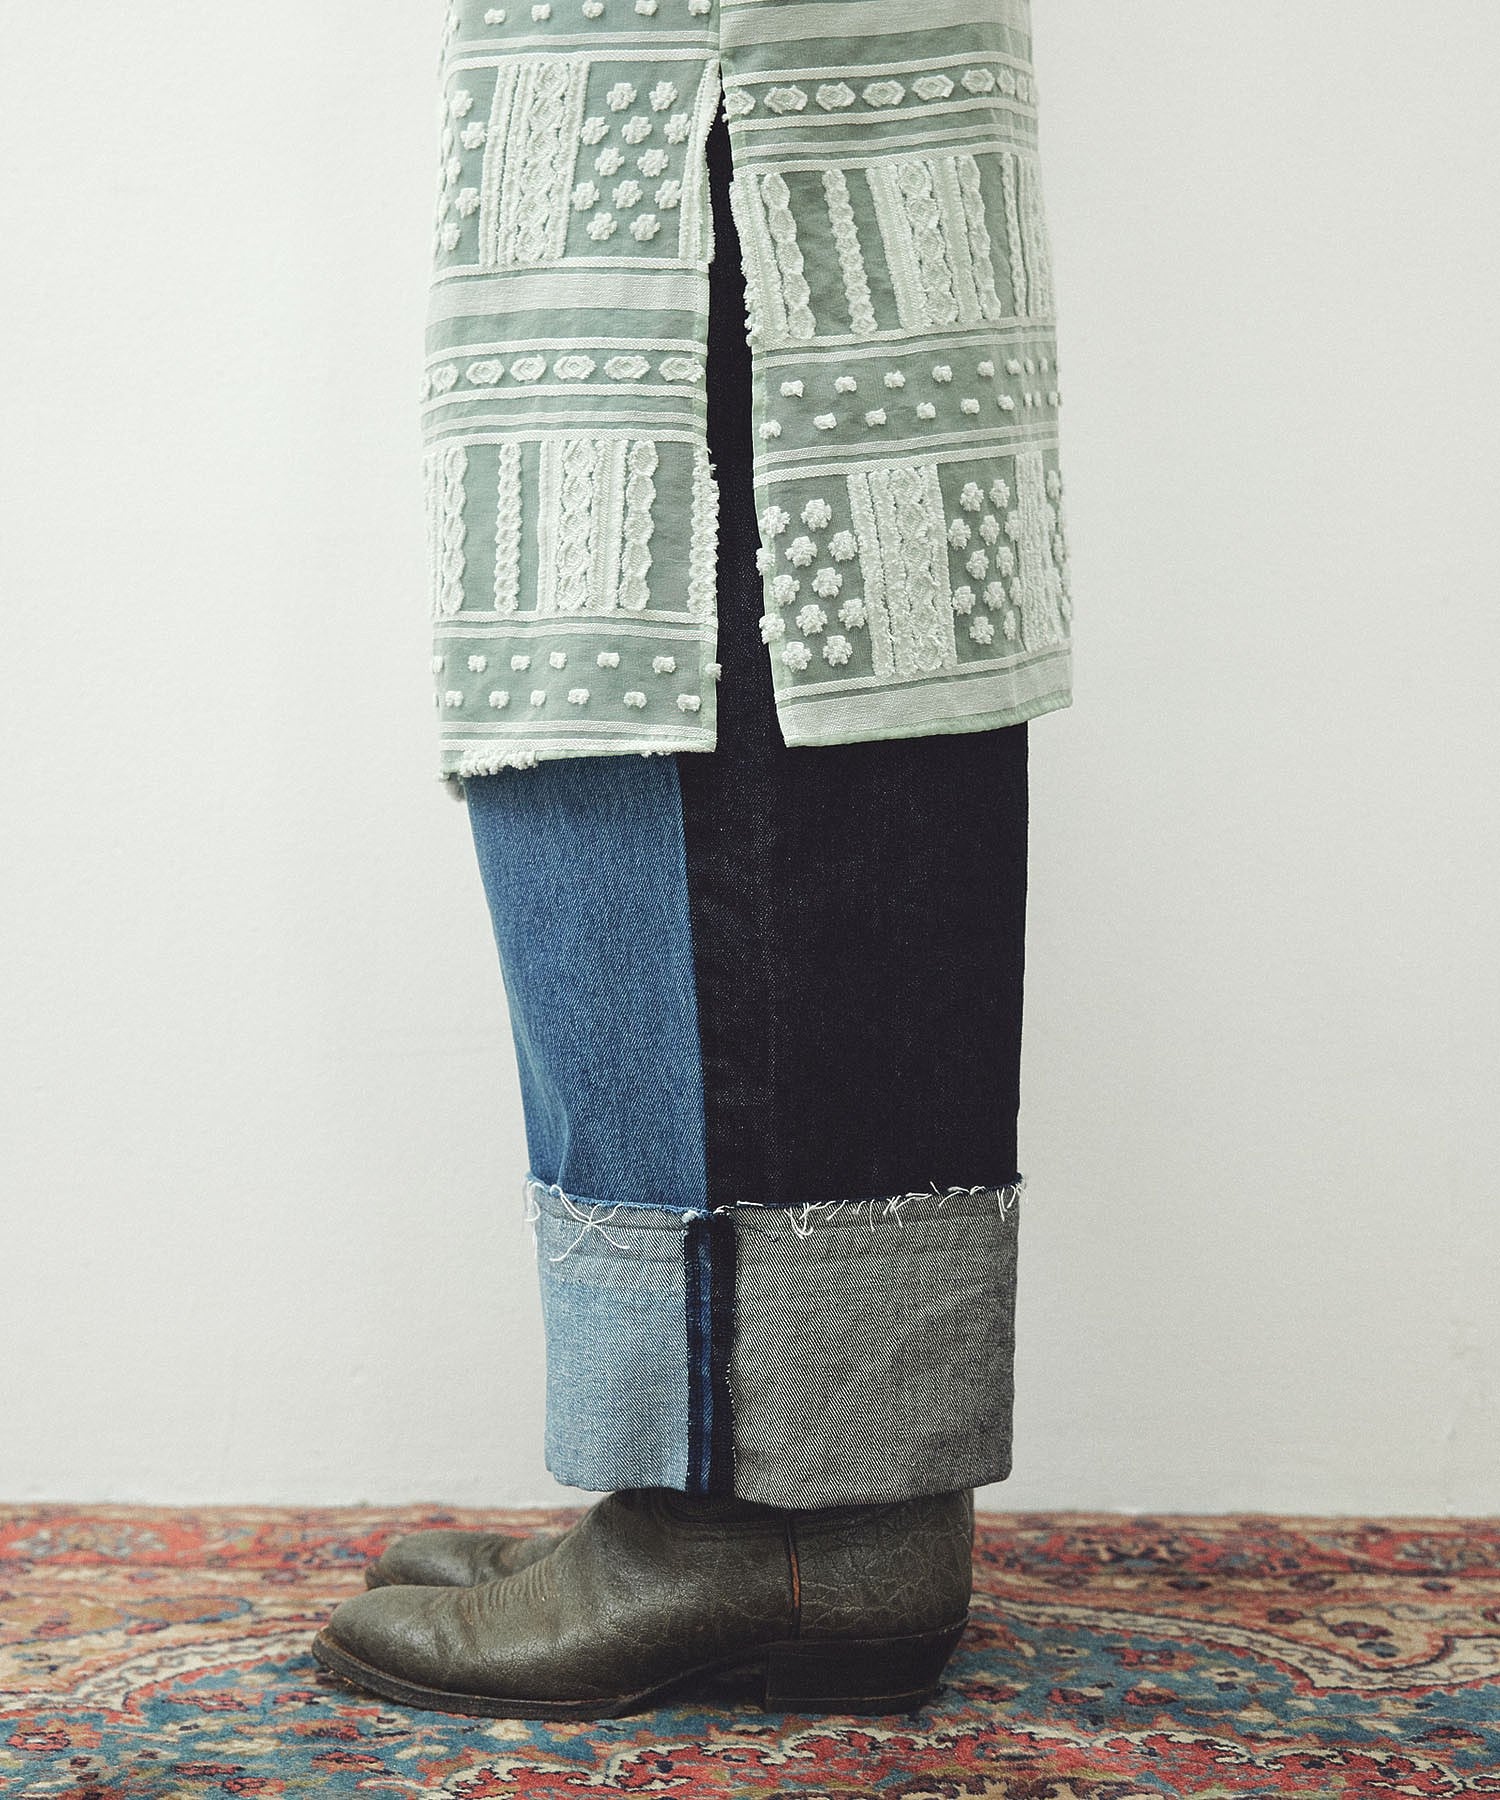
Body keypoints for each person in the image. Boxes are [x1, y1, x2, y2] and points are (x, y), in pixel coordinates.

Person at [313, 0, 1071, 1720]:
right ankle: (798, 1500)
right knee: (698, 602)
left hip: (727, 62)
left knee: (733, 597)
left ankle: (764, 1515)